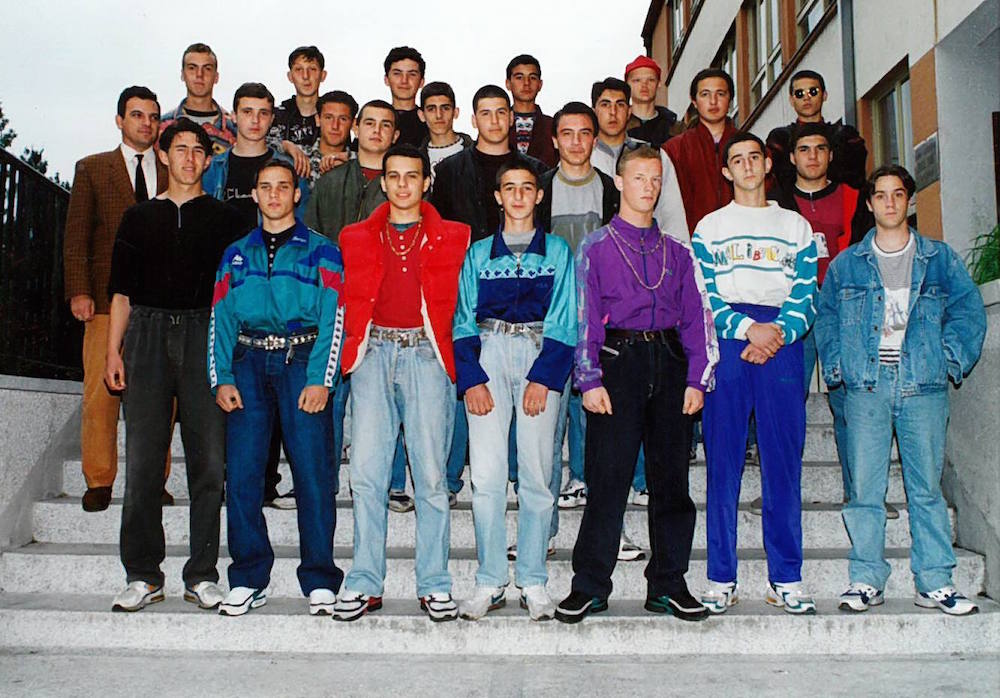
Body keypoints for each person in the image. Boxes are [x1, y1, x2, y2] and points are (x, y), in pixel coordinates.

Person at [554, 145, 716, 624]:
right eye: (639, 177)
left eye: (655, 179)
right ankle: (589, 585)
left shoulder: (679, 254)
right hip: (616, 363)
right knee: (607, 481)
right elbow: (584, 316)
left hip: (668, 363)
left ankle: (668, 584)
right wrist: (588, 377)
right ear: (619, 183)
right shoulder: (597, 247)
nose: (648, 186)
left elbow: (694, 319)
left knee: (671, 483)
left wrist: (696, 378)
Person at [815, 165, 987, 616]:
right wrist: (837, 366)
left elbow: (969, 311)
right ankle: (866, 579)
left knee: (925, 489)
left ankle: (935, 582)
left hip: (922, 386)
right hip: (866, 387)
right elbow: (827, 316)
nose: (889, 203)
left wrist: (948, 359)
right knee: (865, 490)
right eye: (881, 195)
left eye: (898, 195)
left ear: (909, 201)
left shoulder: (939, 258)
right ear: (869, 203)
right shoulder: (847, 264)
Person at [106, 118, 245, 612]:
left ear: (209, 161)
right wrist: (112, 352)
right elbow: (121, 294)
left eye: (198, 150)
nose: (188, 157)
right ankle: (143, 575)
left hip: (205, 332)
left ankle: (202, 574)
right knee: (144, 462)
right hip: (145, 335)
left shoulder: (228, 219)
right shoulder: (138, 217)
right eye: (179, 148)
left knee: (209, 462)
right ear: (163, 155)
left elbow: (237, 293)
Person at [332, 144, 469, 622]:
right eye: (394, 176)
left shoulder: (457, 236)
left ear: (427, 181)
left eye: (413, 176)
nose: (404, 185)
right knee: (367, 475)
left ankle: (434, 583)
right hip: (373, 355)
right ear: (383, 182)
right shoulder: (354, 237)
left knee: (431, 477)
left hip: (427, 357)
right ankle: (365, 581)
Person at [209, 159, 346, 617]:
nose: (273, 195)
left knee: (312, 472)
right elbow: (221, 318)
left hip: (300, 360)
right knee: (244, 473)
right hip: (248, 363)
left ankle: (320, 578)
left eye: (282, 187)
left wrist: (320, 380)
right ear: (254, 195)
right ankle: (249, 576)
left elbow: (333, 318)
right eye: (264, 187)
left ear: (296, 194)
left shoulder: (322, 251)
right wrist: (222, 377)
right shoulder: (234, 254)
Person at [692, 132, 818, 616]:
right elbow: (705, 295)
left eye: (754, 158)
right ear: (725, 171)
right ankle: (721, 576)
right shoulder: (710, 227)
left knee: (782, 461)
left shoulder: (795, 227)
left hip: (782, 343)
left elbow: (806, 292)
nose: (746, 166)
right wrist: (748, 331)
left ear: (767, 164)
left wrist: (777, 334)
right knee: (722, 462)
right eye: (736, 160)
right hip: (730, 340)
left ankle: (786, 575)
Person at [455, 157, 576, 621]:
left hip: (538, 352)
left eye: (528, 187)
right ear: (498, 196)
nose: (519, 195)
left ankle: (532, 578)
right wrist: (472, 378)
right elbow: (463, 316)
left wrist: (545, 377)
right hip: (488, 352)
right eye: (510, 188)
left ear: (539, 195)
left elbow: (566, 316)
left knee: (537, 472)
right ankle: (489, 579)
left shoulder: (558, 252)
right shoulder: (479, 253)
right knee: (485, 476)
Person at [750, 122, 875, 517]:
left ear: (831, 156)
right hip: (794, 306)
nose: (813, 156)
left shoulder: (856, 199)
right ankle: (777, 494)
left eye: (821, 149)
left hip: (844, 309)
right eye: (804, 149)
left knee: (850, 401)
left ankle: (862, 494)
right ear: (791, 157)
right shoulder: (775, 206)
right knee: (784, 401)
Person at [534, 101, 640, 562]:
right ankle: (543, 533)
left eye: (584, 133)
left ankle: (610, 533)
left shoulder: (611, 190)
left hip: (604, 326)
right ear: (554, 140)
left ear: (594, 140)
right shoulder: (537, 190)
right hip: (550, 325)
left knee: (605, 436)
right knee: (544, 433)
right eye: (567, 134)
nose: (576, 142)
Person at [202, 81, 308, 509]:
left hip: (277, 289)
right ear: (235, 115)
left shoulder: (284, 166)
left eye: (264, 113)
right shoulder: (216, 168)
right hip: (230, 284)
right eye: (247, 111)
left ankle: (267, 480)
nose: (256, 120)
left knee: (274, 381)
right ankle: (238, 476)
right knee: (235, 384)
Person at [63, 85, 168, 513]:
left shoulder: (170, 170)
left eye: (152, 116)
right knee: (101, 391)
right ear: (120, 120)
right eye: (137, 115)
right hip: (106, 300)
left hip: (160, 304)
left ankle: (152, 480)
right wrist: (79, 290)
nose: (145, 123)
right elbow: (76, 235)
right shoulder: (93, 169)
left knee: (160, 396)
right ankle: (99, 478)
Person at [589, 78, 687, 241]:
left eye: (620, 104)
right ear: (594, 112)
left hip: (646, 249)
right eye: (605, 104)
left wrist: (679, 258)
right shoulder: (583, 158)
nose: (613, 112)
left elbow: (672, 213)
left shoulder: (653, 154)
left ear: (629, 112)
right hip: (597, 252)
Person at [304, 99, 396, 242]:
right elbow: (310, 235)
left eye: (385, 125)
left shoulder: (402, 185)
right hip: (333, 263)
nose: (377, 130)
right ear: (356, 129)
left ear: (395, 135)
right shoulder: (330, 180)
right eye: (370, 123)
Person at [663, 68, 739, 237]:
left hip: (740, 244)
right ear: (694, 101)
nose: (713, 101)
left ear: (730, 99)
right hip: (691, 245)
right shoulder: (674, 150)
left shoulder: (748, 146)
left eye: (720, 94)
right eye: (705, 94)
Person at [765, 69, 867, 192]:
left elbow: (856, 181)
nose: (806, 98)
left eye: (813, 92)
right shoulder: (780, 138)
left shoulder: (845, 136)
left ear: (824, 95)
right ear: (791, 100)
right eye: (799, 93)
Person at [159, 43, 236, 155]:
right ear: (182, 75)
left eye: (207, 69)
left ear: (216, 77)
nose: (199, 75)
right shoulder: (163, 126)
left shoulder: (233, 130)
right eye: (192, 68)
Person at [267, 45, 328, 180]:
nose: (305, 76)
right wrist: (285, 146)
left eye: (312, 69)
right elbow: (258, 143)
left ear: (323, 75)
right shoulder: (277, 115)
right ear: (290, 76)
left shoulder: (332, 117)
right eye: (299, 70)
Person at [505, 54, 557, 167]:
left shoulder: (552, 126)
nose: (526, 83)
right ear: (508, 84)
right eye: (519, 77)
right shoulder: (498, 123)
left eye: (532, 77)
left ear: (540, 84)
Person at [417, 82, 473, 186]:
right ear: (421, 115)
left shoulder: (474, 153)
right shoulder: (416, 159)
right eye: (431, 109)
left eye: (445, 108)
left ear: (455, 112)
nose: (439, 115)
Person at [302, 90, 358, 187]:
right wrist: (287, 145)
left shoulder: (360, 163)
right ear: (318, 120)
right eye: (328, 117)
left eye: (343, 119)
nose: (335, 126)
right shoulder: (299, 158)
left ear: (353, 124)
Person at [624, 55, 677, 148]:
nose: (644, 85)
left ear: (659, 83)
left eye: (651, 80)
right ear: (627, 84)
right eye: (637, 80)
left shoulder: (675, 127)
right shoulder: (618, 124)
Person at [384, 46, 429, 147]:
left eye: (412, 74)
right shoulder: (374, 120)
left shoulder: (431, 120)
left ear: (422, 82)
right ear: (386, 79)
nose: (404, 80)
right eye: (397, 73)